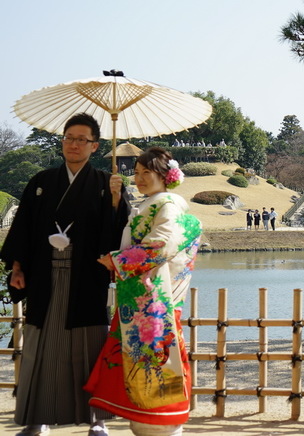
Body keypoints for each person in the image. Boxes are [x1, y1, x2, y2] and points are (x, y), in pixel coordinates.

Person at [0, 112, 130, 436]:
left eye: (82, 140)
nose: (74, 144)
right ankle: (37, 419)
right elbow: (23, 229)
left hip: (86, 278)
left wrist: (117, 201)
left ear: (95, 146)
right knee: (39, 349)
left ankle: (97, 420)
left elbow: (120, 235)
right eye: (69, 138)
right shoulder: (41, 183)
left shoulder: (105, 184)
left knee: (89, 348)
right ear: (62, 142)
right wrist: (17, 267)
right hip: (44, 276)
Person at [85, 147, 201, 436]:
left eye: (146, 173)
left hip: (155, 299)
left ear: (166, 175)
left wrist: (117, 260)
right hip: (144, 297)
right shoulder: (153, 203)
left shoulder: (168, 205)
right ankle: (152, 421)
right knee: (147, 361)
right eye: (136, 172)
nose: (139, 178)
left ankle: (164, 422)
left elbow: (161, 245)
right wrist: (115, 197)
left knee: (160, 359)